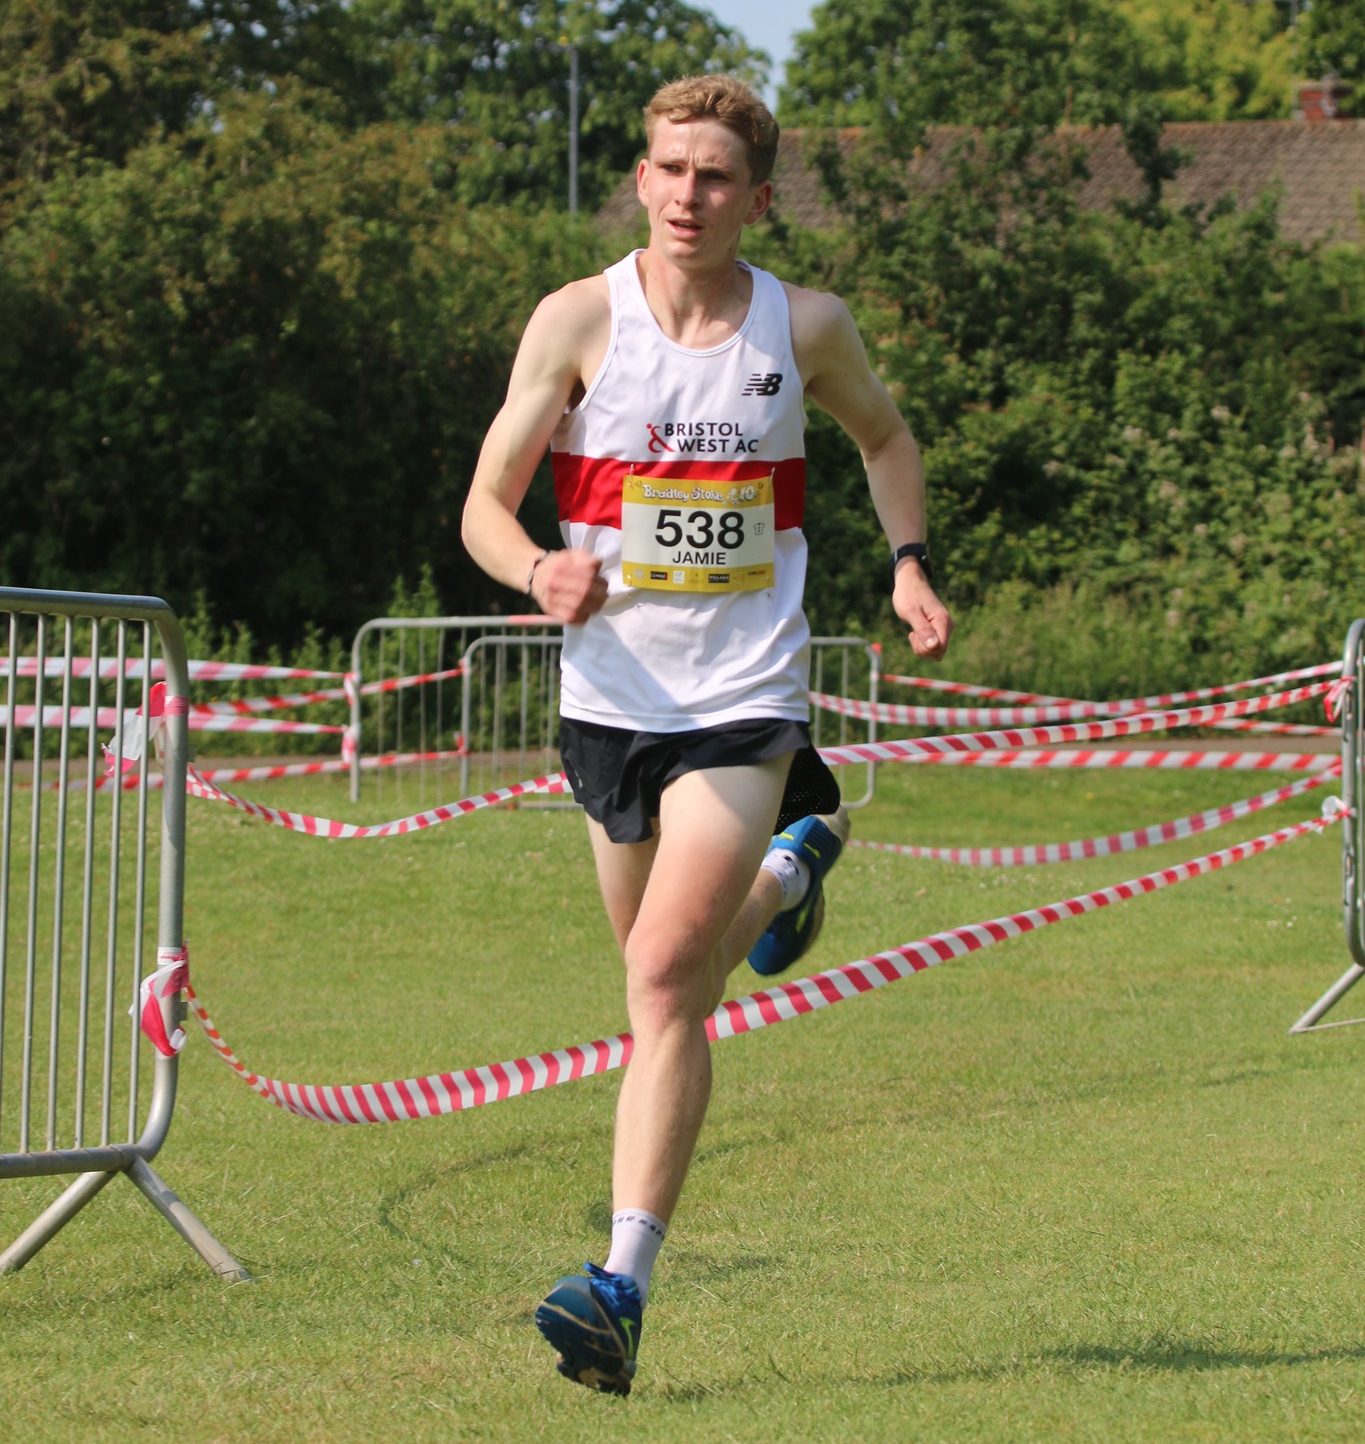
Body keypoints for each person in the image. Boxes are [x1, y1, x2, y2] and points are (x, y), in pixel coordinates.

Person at [461, 73, 952, 1396]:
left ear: (757, 196)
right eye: (671, 170)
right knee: (654, 971)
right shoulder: (576, 322)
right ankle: (791, 871)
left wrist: (905, 562)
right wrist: (533, 572)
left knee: (668, 976)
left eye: (717, 176)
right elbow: (485, 507)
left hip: (743, 699)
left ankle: (619, 1286)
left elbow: (885, 437)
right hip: (609, 704)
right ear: (641, 179)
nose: (691, 195)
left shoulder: (805, 325)